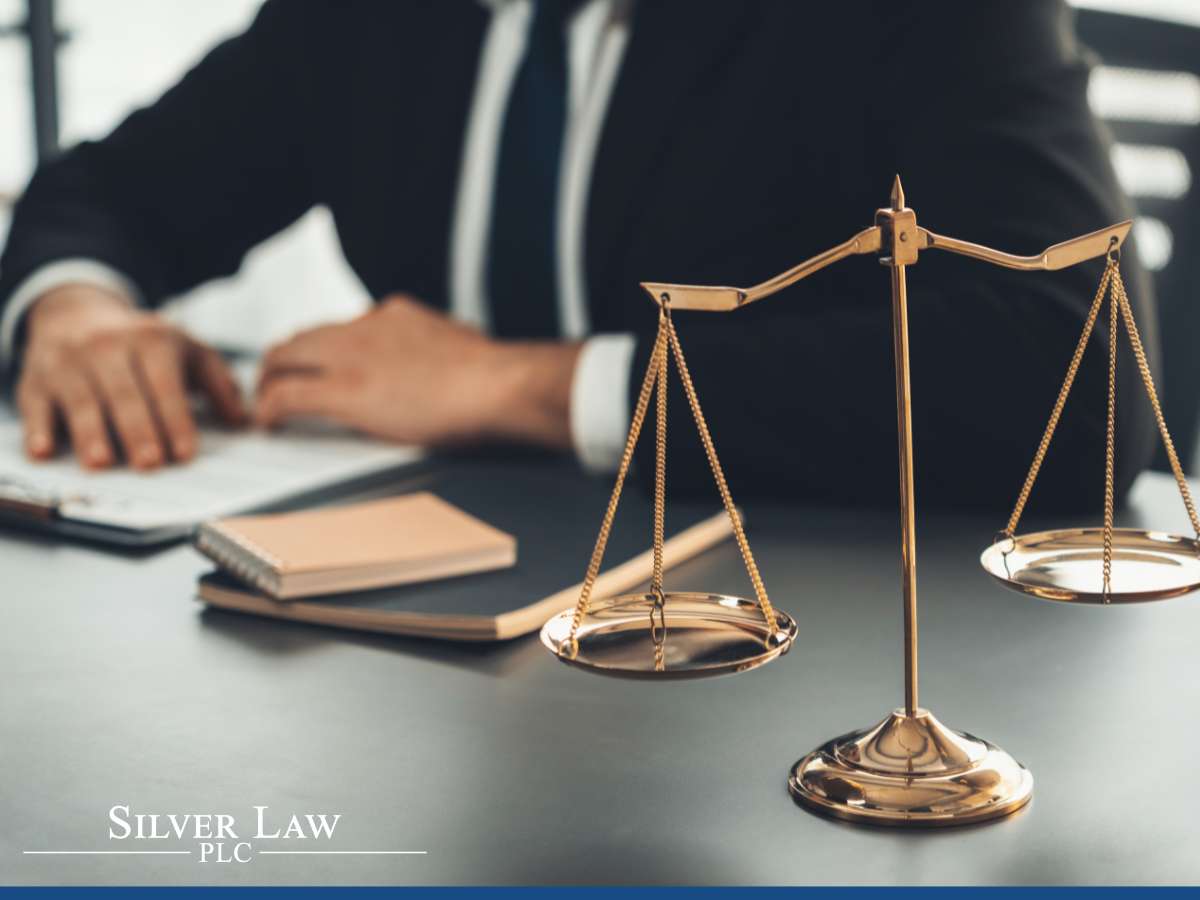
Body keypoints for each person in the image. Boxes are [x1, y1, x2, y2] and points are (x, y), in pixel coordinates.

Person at [0, 0, 1156, 511]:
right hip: (424, 648)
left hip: (811, 644)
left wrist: (528, 386)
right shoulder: (360, 17)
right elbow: (109, 190)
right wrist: (77, 311)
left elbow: (1080, 379)